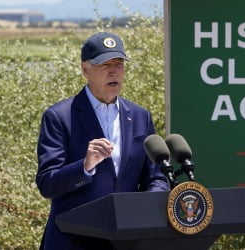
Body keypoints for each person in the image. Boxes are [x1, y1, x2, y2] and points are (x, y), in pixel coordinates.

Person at [36, 32, 169, 250]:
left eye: (119, 64)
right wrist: (85, 167)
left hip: (126, 241)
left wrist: (146, 207)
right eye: (104, 64)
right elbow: (47, 184)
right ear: (85, 70)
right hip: (72, 241)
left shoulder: (139, 116)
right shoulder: (59, 116)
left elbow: (155, 178)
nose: (114, 70)